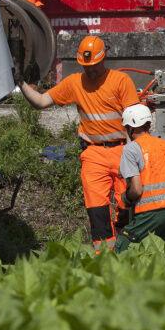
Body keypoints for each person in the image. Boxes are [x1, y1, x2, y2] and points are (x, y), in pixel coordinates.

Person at [20, 35, 140, 251]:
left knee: (127, 203)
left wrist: (135, 153)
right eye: (86, 66)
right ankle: (103, 254)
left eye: (94, 65)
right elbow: (41, 101)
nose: (91, 70)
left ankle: (129, 248)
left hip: (122, 150)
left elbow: (135, 121)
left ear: (104, 59)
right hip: (93, 154)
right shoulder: (75, 82)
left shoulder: (121, 81)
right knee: (96, 208)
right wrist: (20, 83)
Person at [115, 104, 165, 252]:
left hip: (152, 213)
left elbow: (136, 189)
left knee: (123, 243)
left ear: (131, 127)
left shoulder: (131, 149)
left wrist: (125, 198)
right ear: (148, 124)